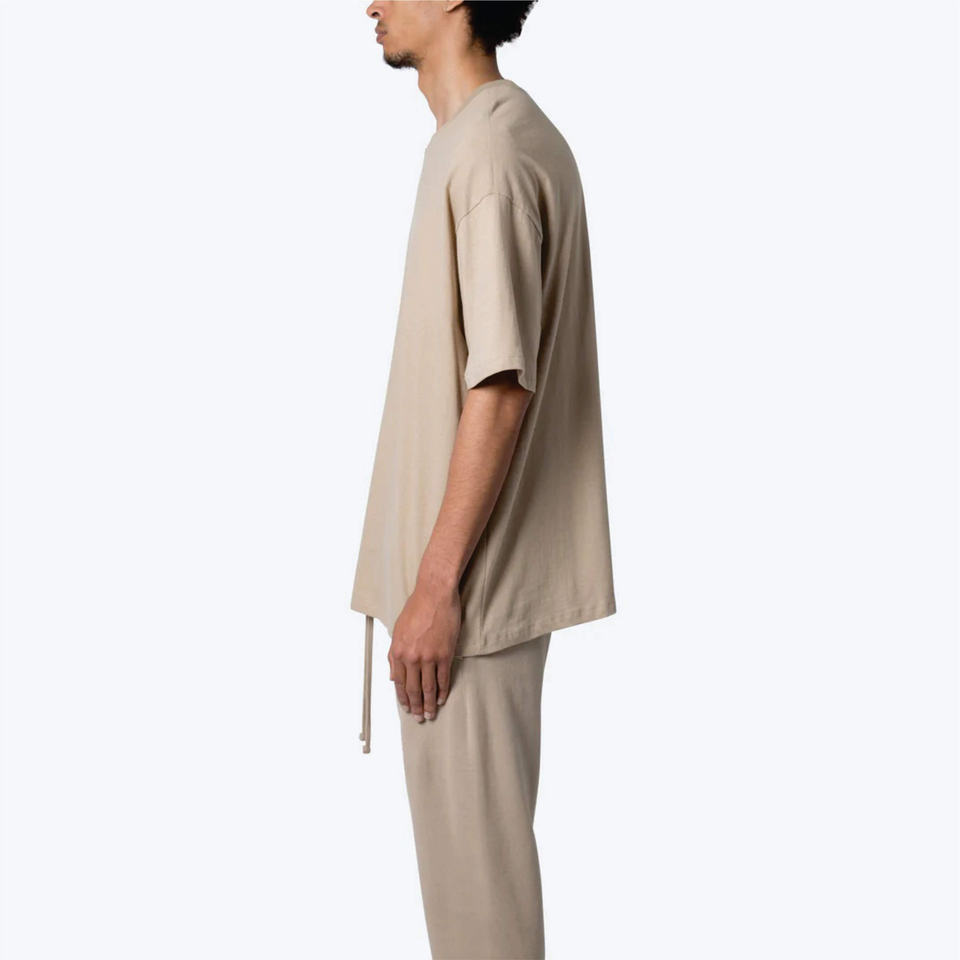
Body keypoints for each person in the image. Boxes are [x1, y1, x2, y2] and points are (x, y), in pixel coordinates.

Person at [351, 2, 616, 956]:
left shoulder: (492, 157)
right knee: (473, 902)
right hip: (466, 602)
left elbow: (500, 387)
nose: (371, 2)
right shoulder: (485, 140)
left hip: (463, 607)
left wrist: (433, 590)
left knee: (479, 918)